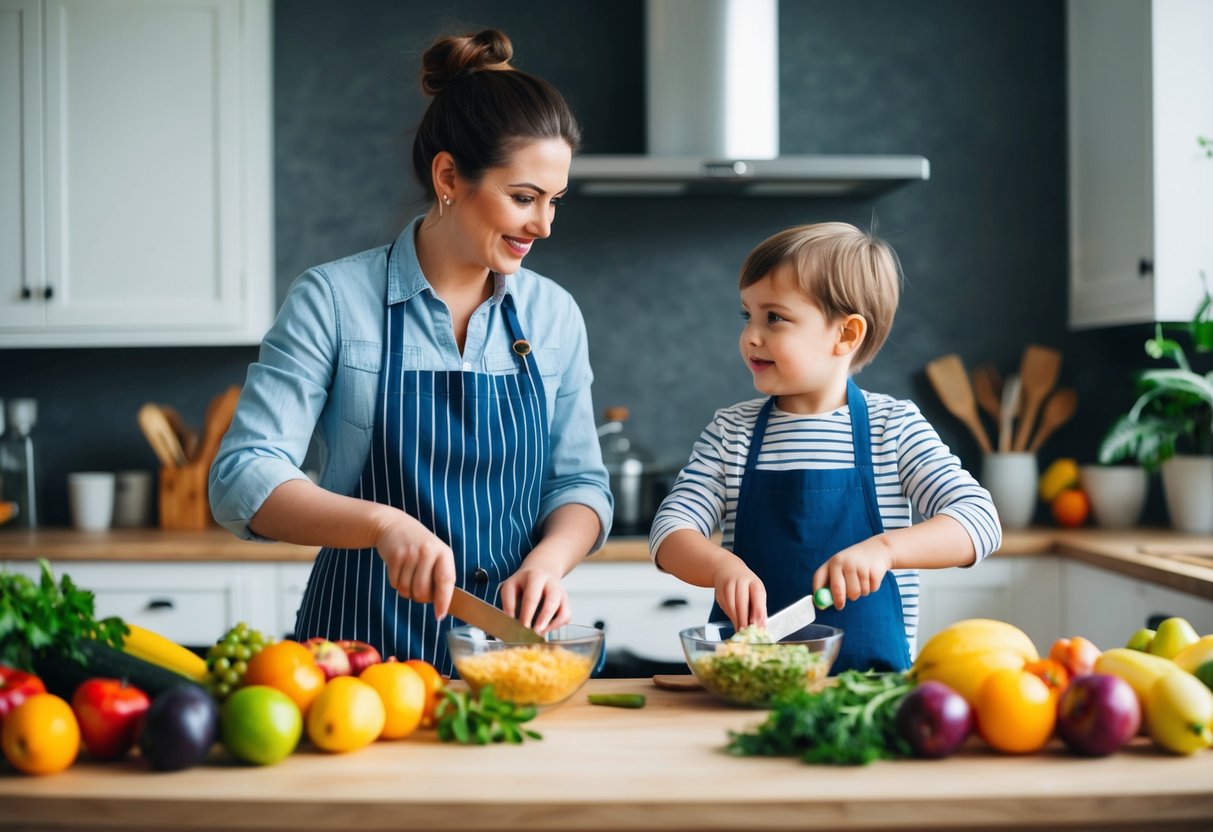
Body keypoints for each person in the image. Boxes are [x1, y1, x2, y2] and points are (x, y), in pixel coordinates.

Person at [209, 29, 612, 675]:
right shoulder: (334, 299)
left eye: (554, 200)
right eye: (524, 197)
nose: (544, 225)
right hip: (353, 660)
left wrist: (548, 560)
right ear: (449, 175)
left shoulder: (553, 314)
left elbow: (580, 484)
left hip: (504, 659)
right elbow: (242, 478)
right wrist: (382, 526)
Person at [649, 223, 1001, 673]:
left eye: (774, 317)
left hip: (865, 693)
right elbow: (669, 531)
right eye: (747, 316)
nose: (752, 336)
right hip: (749, 686)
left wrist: (886, 550)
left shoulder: (892, 428)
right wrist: (719, 567)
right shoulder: (730, 433)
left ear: (846, 335)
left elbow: (980, 520)